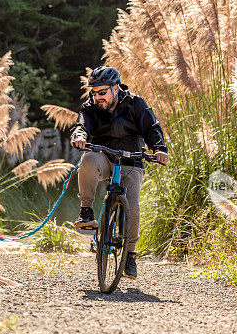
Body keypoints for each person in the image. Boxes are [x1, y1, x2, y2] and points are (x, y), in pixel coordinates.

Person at [70, 65, 169, 280]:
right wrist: (79, 135)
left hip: (132, 160)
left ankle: (130, 255)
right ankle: (86, 211)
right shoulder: (90, 107)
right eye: (93, 92)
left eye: (102, 92)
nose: (97, 97)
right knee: (87, 159)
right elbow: (82, 124)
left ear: (115, 88)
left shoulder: (136, 103)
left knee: (132, 205)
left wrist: (159, 149)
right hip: (103, 156)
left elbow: (152, 128)